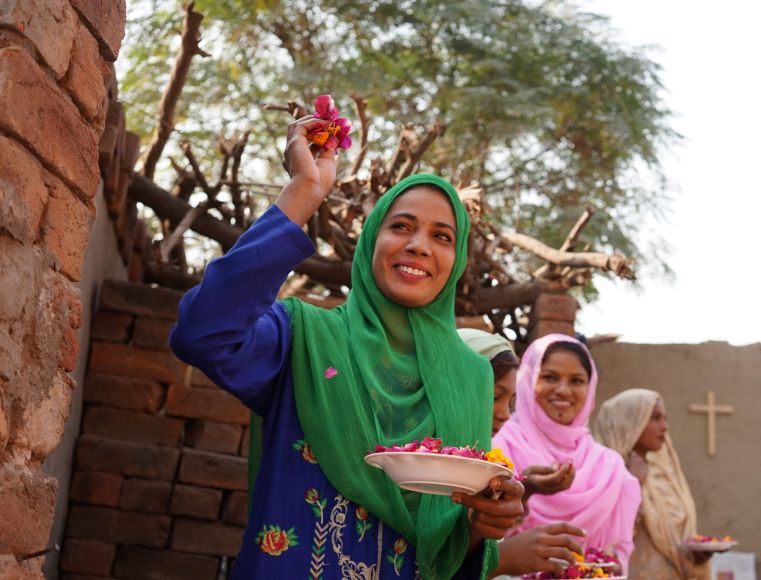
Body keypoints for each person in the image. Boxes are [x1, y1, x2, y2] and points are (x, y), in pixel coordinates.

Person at [169, 110, 523, 579]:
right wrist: (304, 192)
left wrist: (484, 523)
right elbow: (203, 332)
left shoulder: (471, 377)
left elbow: (449, 547)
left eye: (442, 236)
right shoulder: (303, 338)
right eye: (400, 226)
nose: (419, 245)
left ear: (455, 262)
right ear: (371, 241)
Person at [492, 333, 641, 572]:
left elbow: (618, 556)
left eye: (576, 381)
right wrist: (526, 489)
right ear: (528, 381)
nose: (563, 390)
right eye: (550, 377)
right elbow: (475, 546)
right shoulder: (499, 446)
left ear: (590, 387)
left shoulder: (609, 467)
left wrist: (608, 568)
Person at [458, 329, 588, 578]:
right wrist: (501, 559)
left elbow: (462, 548)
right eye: (494, 396)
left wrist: (525, 489)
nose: (505, 414)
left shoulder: (482, 465)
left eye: (510, 402)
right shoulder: (412, 467)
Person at [593, 388, 709, 580]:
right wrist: (632, 484)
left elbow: (675, 539)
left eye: (664, 418)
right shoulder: (603, 474)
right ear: (628, 422)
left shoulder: (665, 477)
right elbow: (607, 542)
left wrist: (695, 555)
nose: (664, 426)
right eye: (655, 418)